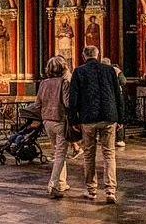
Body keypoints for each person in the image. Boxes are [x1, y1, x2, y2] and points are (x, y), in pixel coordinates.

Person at [68, 45, 124, 205]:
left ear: (84, 56)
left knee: (89, 155)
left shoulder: (79, 71)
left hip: (88, 119)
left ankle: (91, 190)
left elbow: (73, 99)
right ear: (98, 55)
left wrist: (74, 120)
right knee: (109, 154)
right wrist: (120, 119)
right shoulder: (110, 70)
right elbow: (117, 95)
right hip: (109, 117)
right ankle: (111, 191)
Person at [36, 55, 71, 199]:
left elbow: (38, 103)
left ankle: (62, 182)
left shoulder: (44, 83)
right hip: (60, 120)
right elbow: (67, 102)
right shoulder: (64, 82)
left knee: (57, 152)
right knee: (60, 154)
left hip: (47, 121)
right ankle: (53, 185)